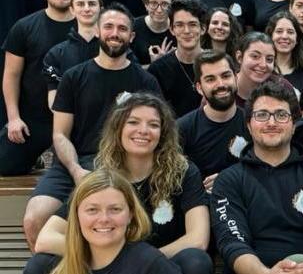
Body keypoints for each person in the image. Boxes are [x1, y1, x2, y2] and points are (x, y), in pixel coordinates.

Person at [23, 3, 161, 251]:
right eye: (108, 26)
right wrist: (76, 170)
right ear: (97, 30)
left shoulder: (146, 81)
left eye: (122, 28)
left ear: (132, 36)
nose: (114, 33)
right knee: (35, 219)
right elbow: (60, 134)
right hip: (73, 162)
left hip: (123, 165)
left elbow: (153, 135)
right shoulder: (74, 77)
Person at [27, 93, 212, 274]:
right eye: (133, 122)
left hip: (158, 265)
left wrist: (142, 260)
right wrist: (110, 257)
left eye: (154, 124)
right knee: (40, 263)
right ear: (118, 128)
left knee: (195, 261)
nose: (143, 130)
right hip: (104, 263)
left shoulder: (183, 172)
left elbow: (198, 239)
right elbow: (45, 239)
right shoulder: (102, 175)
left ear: (163, 133)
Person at [210, 81, 303, 274]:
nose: (271, 123)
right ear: (248, 125)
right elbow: (232, 239)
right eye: (262, 115)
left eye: (281, 115)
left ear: (294, 125)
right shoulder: (229, 180)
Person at [26, 168, 182, 274]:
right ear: (76, 216)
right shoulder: (57, 267)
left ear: (130, 215)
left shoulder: (151, 265)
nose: (104, 219)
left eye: (115, 209)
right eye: (92, 210)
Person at [1, 0, 77, 176]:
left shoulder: (87, 27)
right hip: (34, 117)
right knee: (5, 166)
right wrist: (14, 118)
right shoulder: (24, 27)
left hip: (76, 118)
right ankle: (37, 158)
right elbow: (11, 75)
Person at [178, 51, 251, 189]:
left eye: (226, 76)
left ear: (236, 78)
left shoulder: (253, 124)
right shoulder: (182, 129)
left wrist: (229, 179)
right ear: (199, 88)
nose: (220, 84)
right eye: (211, 79)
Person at [43, 0, 103, 108]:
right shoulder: (56, 54)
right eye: (80, 4)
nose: (86, 9)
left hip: (110, 124)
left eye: (91, 4)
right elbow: (54, 102)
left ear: (101, 10)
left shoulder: (116, 48)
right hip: (71, 124)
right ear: (72, 10)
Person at [148, 0, 206, 117]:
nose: (186, 31)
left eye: (192, 24)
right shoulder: (157, 69)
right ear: (172, 30)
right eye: (179, 25)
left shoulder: (217, 64)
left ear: (203, 29)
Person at [264, 11, 303, 109]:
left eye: (290, 32)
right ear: (270, 36)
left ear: (297, 39)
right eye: (279, 31)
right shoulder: (261, 69)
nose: (285, 36)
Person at [232, 32, 295, 110]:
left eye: (269, 59)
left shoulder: (283, 87)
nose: (263, 65)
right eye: (255, 56)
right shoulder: (225, 87)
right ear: (239, 57)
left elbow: (296, 121)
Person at [131, 0, 179, 67]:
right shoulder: (132, 27)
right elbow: (127, 69)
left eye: (165, 4)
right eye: (153, 3)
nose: (159, 10)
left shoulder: (179, 28)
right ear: (146, 5)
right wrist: (155, 65)